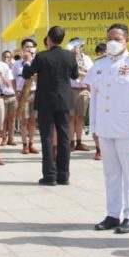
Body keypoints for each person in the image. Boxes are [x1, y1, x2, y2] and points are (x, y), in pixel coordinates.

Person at [86, 23, 129, 234]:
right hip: (105, 127)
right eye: (110, 38)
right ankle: (113, 214)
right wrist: (94, 127)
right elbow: (94, 98)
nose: (113, 42)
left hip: (127, 129)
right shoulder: (99, 64)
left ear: (127, 41)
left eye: (118, 39)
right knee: (111, 173)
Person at [21, 26, 78, 186]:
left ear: (49, 39)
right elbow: (74, 75)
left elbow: (27, 74)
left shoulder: (41, 56)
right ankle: (63, 175)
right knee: (64, 137)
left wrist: (26, 62)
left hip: (46, 100)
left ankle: (49, 175)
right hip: (64, 100)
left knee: (46, 137)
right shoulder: (69, 56)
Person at [13, 38, 39, 154]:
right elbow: (13, 79)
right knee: (24, 120)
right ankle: (24, 145)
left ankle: (32, 143)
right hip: (22, 94)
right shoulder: (16, 64)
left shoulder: (37, 62)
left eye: (30, 47)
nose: (29, 49)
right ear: (22, 49)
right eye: (26, 47)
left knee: (33, 121)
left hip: (35, 92)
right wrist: (15, 93)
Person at [68, 39, 93, 152]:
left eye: (78, 46)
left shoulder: (86, 58)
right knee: (71, 117)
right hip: (70, 90)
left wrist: (90, 91)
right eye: (73, 46)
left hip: (83, 90)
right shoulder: (68, 58)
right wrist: (82, 73)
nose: (76, 48)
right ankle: (70, 142)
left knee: (80, 117)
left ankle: (79, 142)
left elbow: (91, 73)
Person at [0, 50, 19, 147]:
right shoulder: (0, 67)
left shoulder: (14, 67)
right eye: (5, 57)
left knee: (12, 119)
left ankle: (11, 138)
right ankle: (3, 138)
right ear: (2, 58)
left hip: (12, 96)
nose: (6, 59)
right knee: (3, 119)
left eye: (8, 57)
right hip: (3, 96)